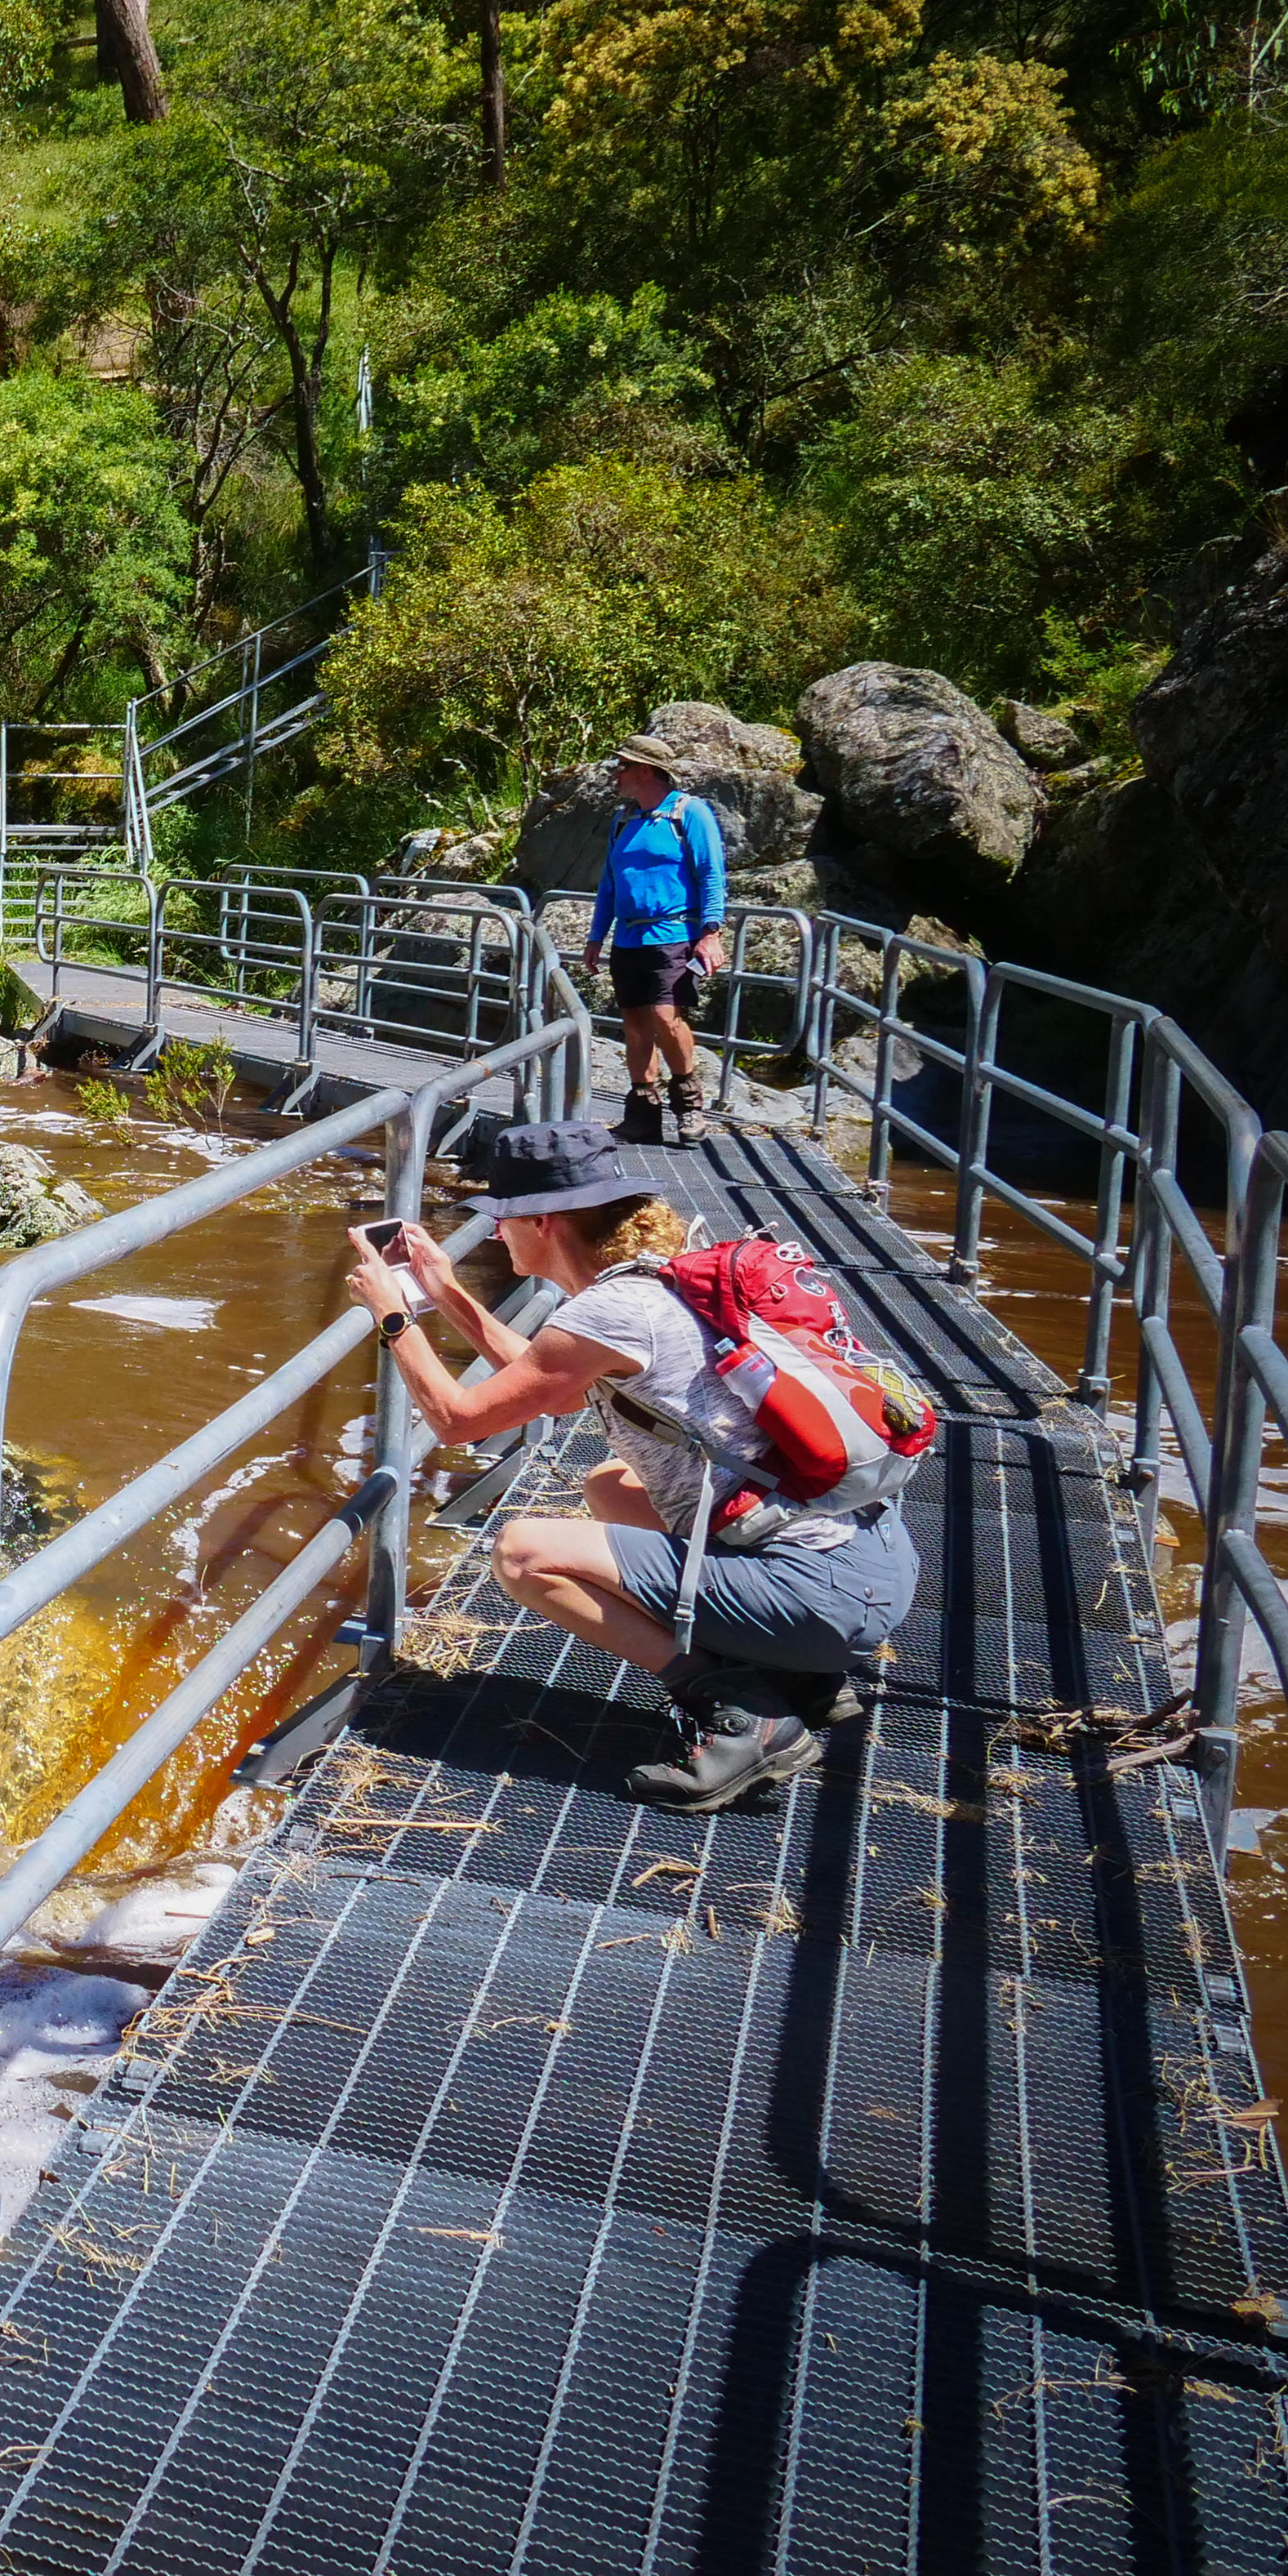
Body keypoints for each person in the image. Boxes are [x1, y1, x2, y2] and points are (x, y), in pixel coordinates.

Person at [342, 1119, 920, 1812]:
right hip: (869, 1567)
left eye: (503, 1219)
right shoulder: (657, 1282)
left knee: (524, 1553)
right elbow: (548, 1385)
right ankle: (798, 1675)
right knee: (609, 1485)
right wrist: (444, 1291)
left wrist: (393, 1317)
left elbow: (458, 1419)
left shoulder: (612, 1313)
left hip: (820, 1599)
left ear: (545, 1222)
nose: (495, 1234)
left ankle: (740, 1712)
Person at [582, 732, 728, 1146]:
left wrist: (711, 933)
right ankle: (643, 1115)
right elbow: (609, 883)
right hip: (628, 939)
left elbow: (711, 874)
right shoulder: (623, 821)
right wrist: (596, 936)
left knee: (666, 1017)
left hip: (674, 934)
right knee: (634, 1025)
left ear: (645, 771)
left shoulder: (689, 813)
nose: (616, 774)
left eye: (623, 766)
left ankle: (689, 1106)